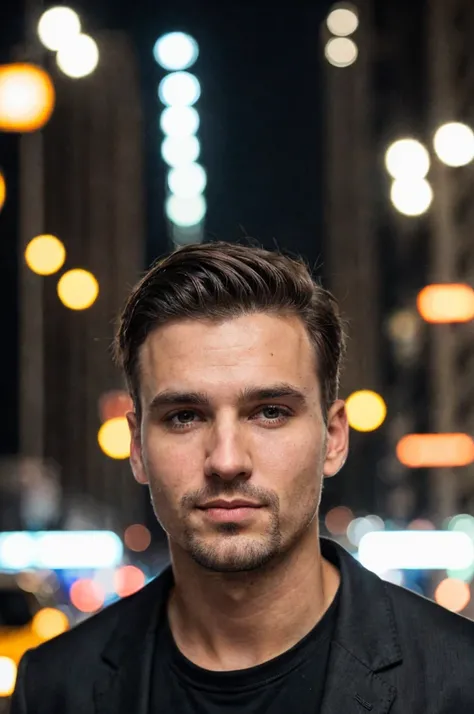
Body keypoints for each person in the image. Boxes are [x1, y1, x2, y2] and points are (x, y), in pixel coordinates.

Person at [11, 241, 474, 714]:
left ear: (333, 438)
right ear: (137, 447)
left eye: (270, 412)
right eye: (185, 417)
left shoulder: (458, 679)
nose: (227, 460)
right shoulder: (53, 687)